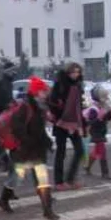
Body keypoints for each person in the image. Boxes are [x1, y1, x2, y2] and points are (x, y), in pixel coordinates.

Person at [0, 77, 59, 220]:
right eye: (44, 91)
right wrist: (27, 140)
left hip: (36, 150)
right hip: (24, 150)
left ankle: (47, 209)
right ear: (37, 92)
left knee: (42, 179)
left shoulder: (40, 107)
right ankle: (3, 199)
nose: (46, 93)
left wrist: (47, 141)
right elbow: (16, 126)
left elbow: (39, 130)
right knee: (16, 177)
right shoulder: (25, 107)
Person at [49, 62, 85, 191]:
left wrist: (82, 124)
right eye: (73, 72)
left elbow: (79, 107)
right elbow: (52, 102)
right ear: (68, 72)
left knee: (80, 150)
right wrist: (59, 110)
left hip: (74, 123)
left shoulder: (78, 85)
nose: (76, 74)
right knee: (61, 152)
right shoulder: (60, 85)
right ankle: (59, 181)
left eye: (78, 72)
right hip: (61, 123)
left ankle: (70, 178)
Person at [84, 85, 111, 179]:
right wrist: (99, 118)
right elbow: (91, 122)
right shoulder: (93, 108)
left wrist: (109, 114)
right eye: (103, 98)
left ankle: (87, 166)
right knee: (102, 151)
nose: (105, 100)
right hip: (95, 131)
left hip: (102, 130)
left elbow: (108, 118)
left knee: (97, 151)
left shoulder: (105, 106)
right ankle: (105, 173)